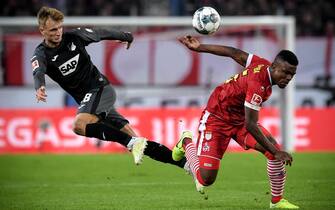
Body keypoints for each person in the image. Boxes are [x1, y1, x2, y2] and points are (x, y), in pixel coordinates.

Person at [32, 6, 187, 170]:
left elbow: (99, 33)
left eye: (60, 27)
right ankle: (184, 164)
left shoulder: (74, 37)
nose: (58, 32)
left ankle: (131, 143)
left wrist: (126, 36)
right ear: (42, 30)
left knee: (79, 125)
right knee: (135, 138)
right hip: (90, 101)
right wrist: (39, 86)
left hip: (100, 89)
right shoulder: (40, 54)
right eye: (53, 29)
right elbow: (38, 71)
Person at [173, 35, 299, 209]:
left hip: (238, 120)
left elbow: (234, 53)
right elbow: (251, 125)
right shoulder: (258, 84)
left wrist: (200, 47)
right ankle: (186, 142)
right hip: (217, 118)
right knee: (205, 180)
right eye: (285, 72)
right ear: (274, 66)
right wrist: (276, 152)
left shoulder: (261, 64)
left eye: (292, 74)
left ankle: (276, 201)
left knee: (273, 149)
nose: (288, 77)